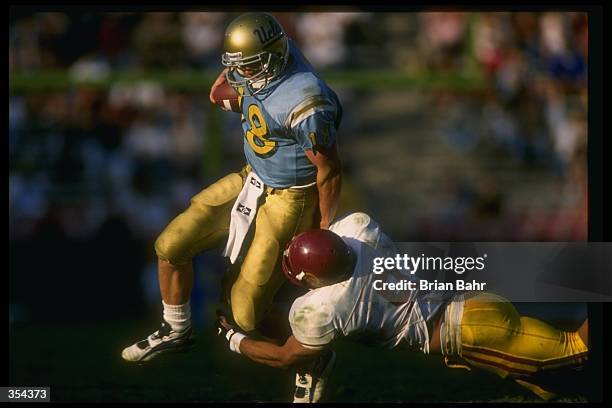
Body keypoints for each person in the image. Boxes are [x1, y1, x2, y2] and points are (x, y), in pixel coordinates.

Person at [122, 12, 343, 363]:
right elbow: (217, 93)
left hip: (291, 197)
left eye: (252, 65)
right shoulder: (260, 63)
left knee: (244, 313)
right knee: (170, 245)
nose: (245, 72)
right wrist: (239, 93)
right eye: (239, 65)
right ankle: (175, 327)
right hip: (250, 176)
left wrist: (326, 225)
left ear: (274, 56)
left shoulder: (305, 98)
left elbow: (328, 170)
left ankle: (312, 357)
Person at [215, 212, 590, 402]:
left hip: (469, 334)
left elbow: (286, 357)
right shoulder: (360, 230)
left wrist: (234, 338)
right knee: (559, 387)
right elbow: (334, 226)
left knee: (578, 350)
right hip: (472, 307)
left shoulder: (327, 305)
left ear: (314, 280)